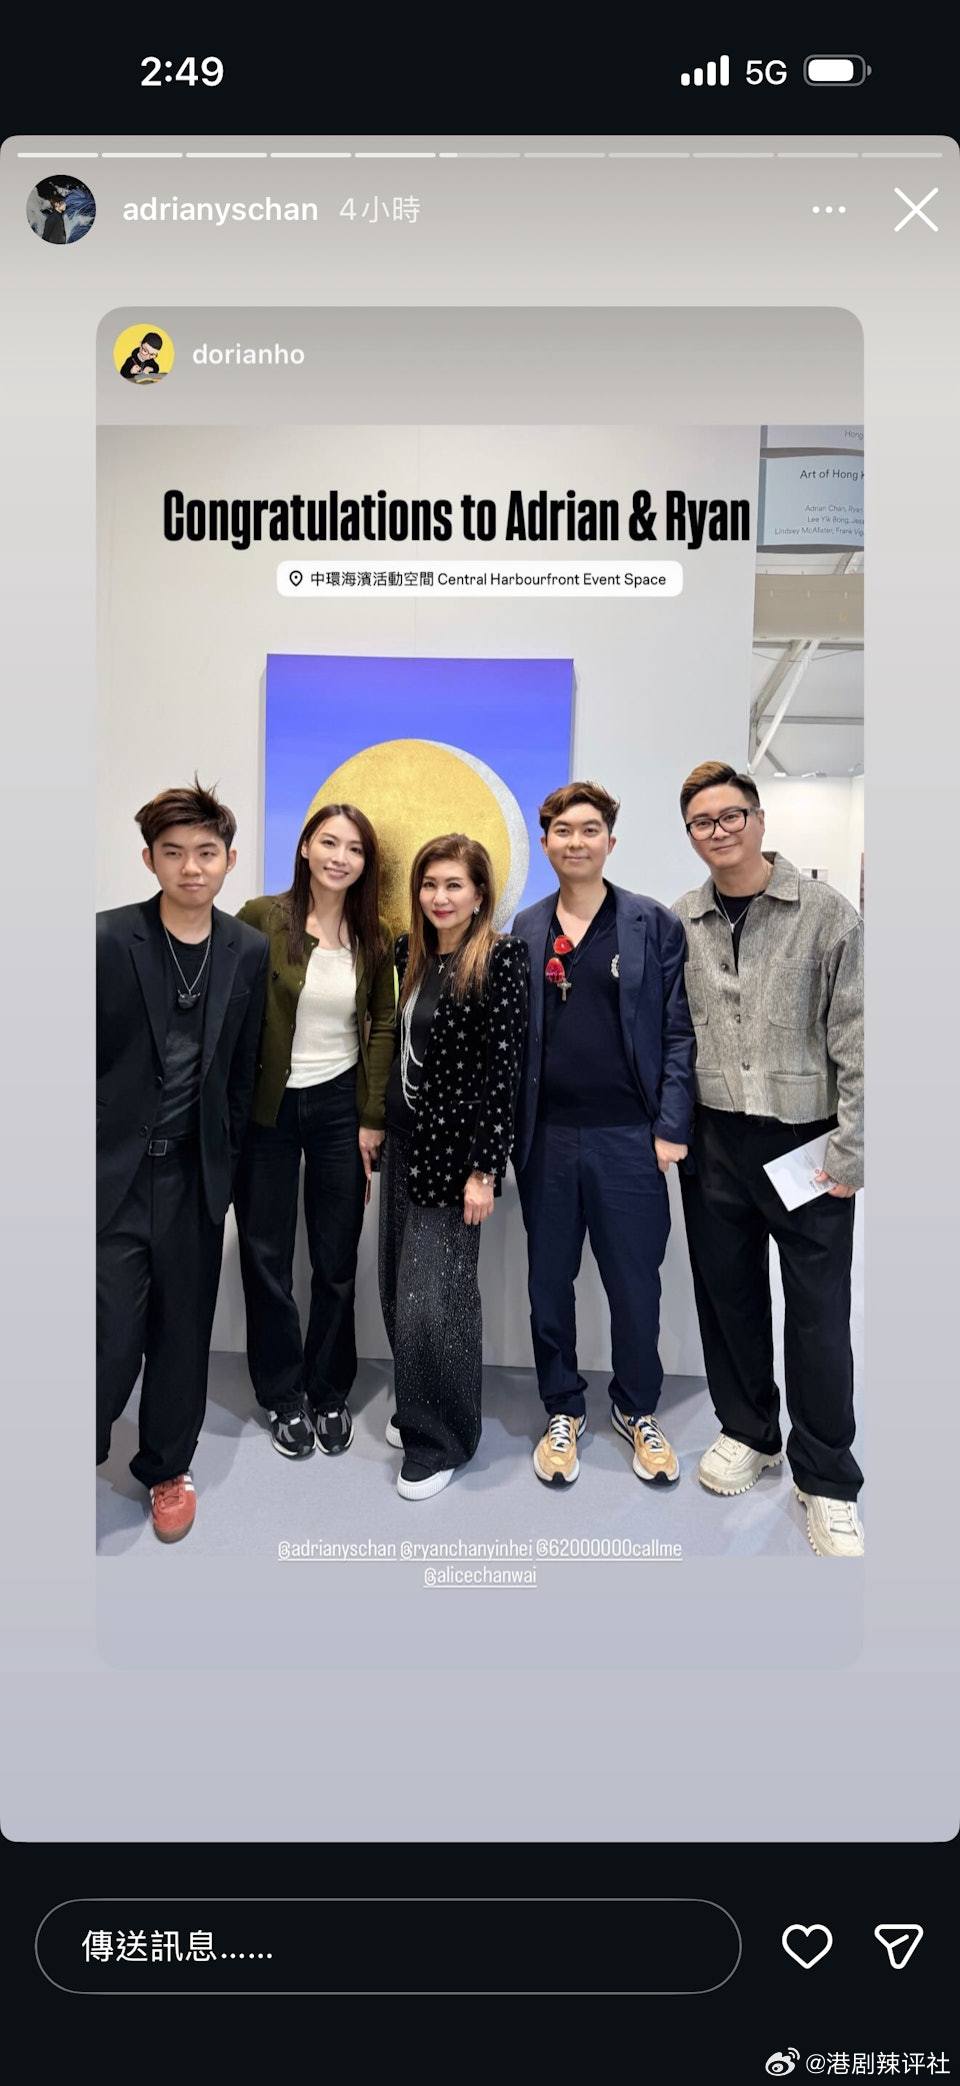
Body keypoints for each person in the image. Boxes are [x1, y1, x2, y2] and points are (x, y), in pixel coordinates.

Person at [673, 760, 864, 1557]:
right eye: (702, 822)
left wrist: (853, 1149)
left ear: (758, 819)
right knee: (730, 1298)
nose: (718, 832)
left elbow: (860, 1036)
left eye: (731, 816)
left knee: (818, 1312)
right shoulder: (682, 919)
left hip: (807, 1139)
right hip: (716, 1139)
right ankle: (750, 1430)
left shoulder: (826, 915)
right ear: (690, 835)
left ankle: (827, 1478)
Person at [96, 782, 269, 1542]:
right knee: (107, 1333)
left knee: (181, 1333)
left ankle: (169, 1466)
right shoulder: (107, 938)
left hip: (194, 1176)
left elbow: (242, 1072)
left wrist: (225, 1167)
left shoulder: (247, 949)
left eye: (205, 852)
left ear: (229, 859)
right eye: (173, 853)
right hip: (112, 1176)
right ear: (149, 860)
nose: (191, 867)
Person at [512, 782, 696, 1489]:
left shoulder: (651, 924)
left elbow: (679, 1032)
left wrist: (670, 1128)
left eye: (590, 830)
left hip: (630, 1140)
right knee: (548, 1284)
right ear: (545, 844)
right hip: (548, 1140)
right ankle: (562, 1407)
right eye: (563, 830)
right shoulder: (527, 928)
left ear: (610, 842)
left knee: (635, 1285)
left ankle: (636, 1407)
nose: (577, 841)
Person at [233, 805, 394, 1458]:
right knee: (266, 1256)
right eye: (329, 842)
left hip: (338, 1107)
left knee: (335, 1259)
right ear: (305, 847)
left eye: (354, 848)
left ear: (365, 863)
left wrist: (372, 1116)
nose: (339, 857)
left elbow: (384, 1023)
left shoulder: (375, 933)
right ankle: (282, 1392)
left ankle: (328, 1390)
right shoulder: (258, 917)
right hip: (267, 1107)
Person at [379, 835, 529, 1499]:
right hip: (402, 1143)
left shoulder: (501, 958)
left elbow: (504, 1072)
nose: (439, 897)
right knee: (395, 1285)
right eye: (429, 884)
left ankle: (442, 1439)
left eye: (454, 885)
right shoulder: (408, 954)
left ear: (479, 894)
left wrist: (484, 1170)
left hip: (456, 1156)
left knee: (434, 1301)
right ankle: (419, 1398)